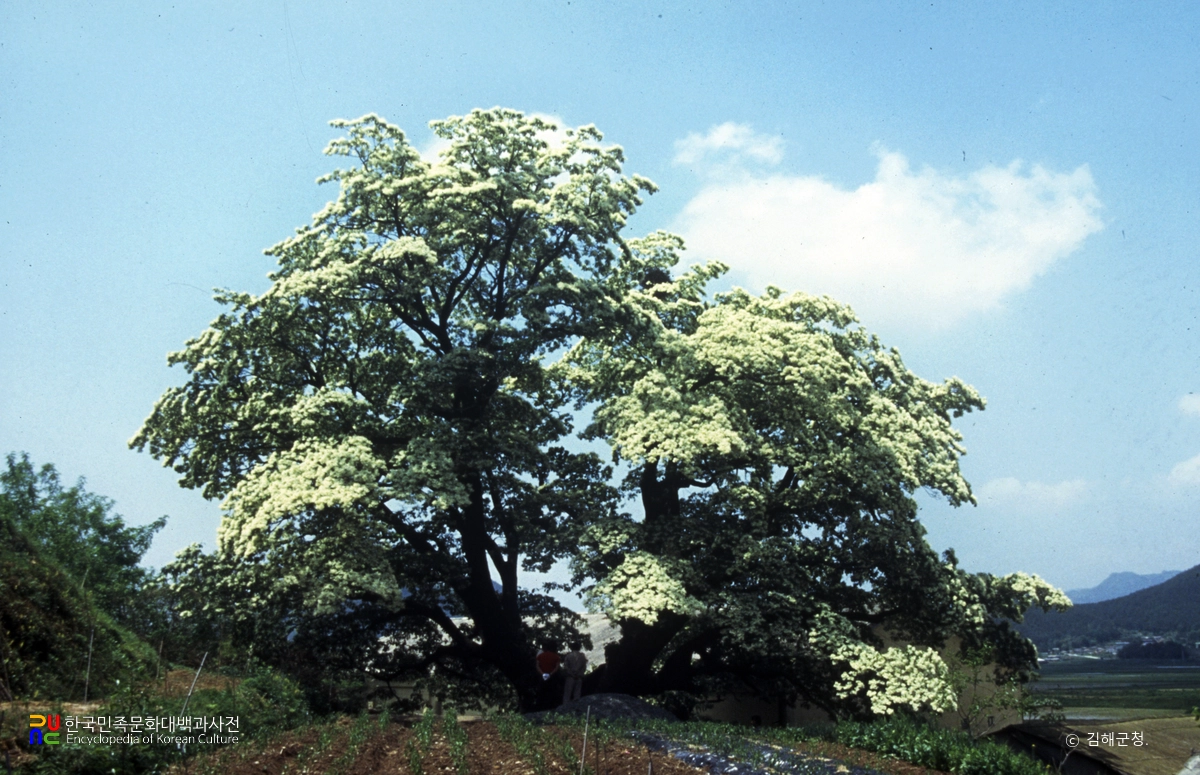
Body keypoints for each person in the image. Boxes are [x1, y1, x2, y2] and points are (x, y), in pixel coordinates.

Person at [561, 641, 587, 705]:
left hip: (570, 677)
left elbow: (566, 667)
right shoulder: (582, 656)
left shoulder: (568, 656)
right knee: (577, 695)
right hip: (579, 677)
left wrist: (572, 674)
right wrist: (579, 674)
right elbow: (584, 667)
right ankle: (576, 708)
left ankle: (565, 709)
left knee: (567, 694)